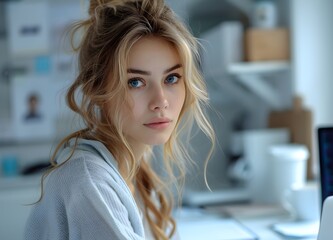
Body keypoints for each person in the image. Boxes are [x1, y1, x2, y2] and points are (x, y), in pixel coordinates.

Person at [24, 0, 215, 239]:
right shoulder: (89, 182)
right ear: (98, 91)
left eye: (172, 78)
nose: (160, 101)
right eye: (135, 82)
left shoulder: (134, 168)